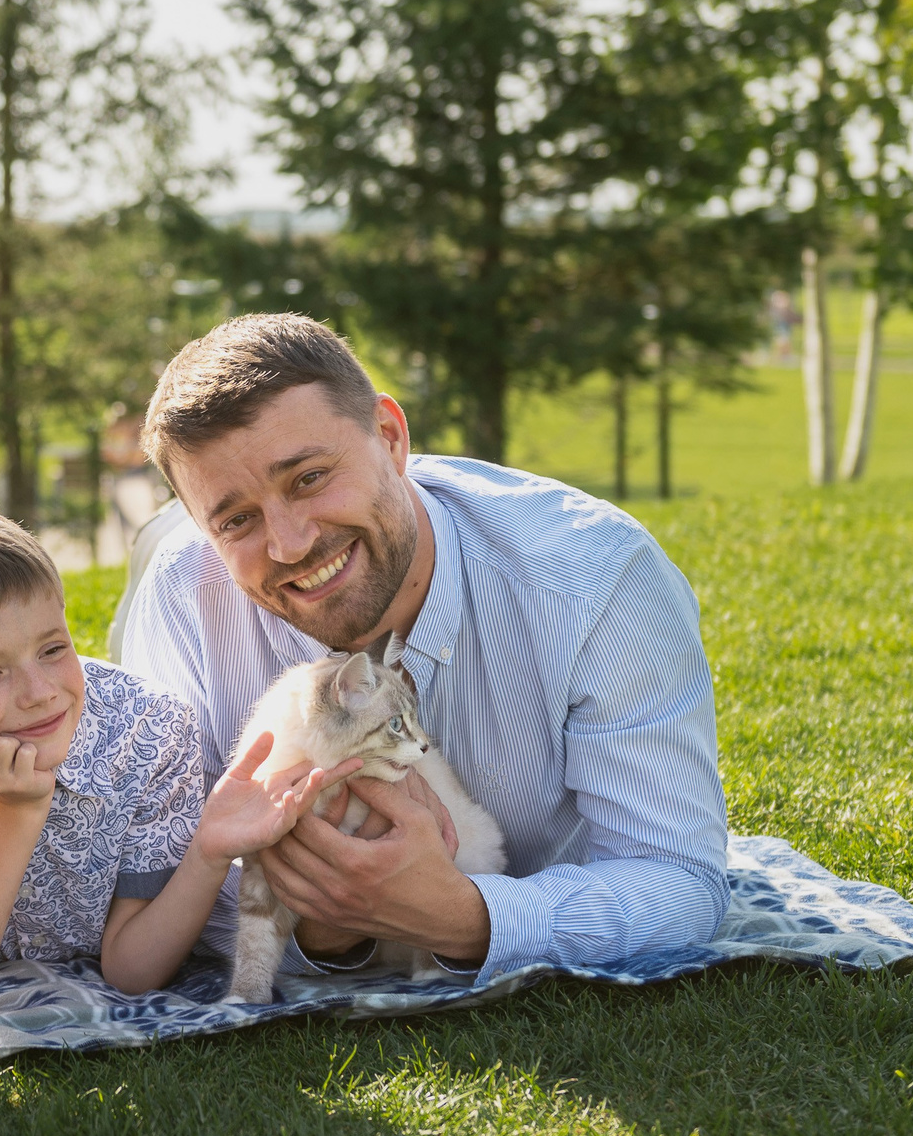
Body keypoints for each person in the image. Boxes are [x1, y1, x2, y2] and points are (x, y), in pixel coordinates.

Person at [112, 314, 729, 984]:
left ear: (390, 436)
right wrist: (321, 924)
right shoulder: (180, 595)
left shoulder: (600, 578)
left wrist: (465, 916)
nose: (288, 544)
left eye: (309, 478)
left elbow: (679, 880)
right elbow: (156, 886)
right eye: (235, 520)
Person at [0, 499, 351, 1009]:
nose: (39, 692)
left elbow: (133, 972)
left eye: (54, 649)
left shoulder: (149, 733)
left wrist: (208, 853)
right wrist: (18, 809)